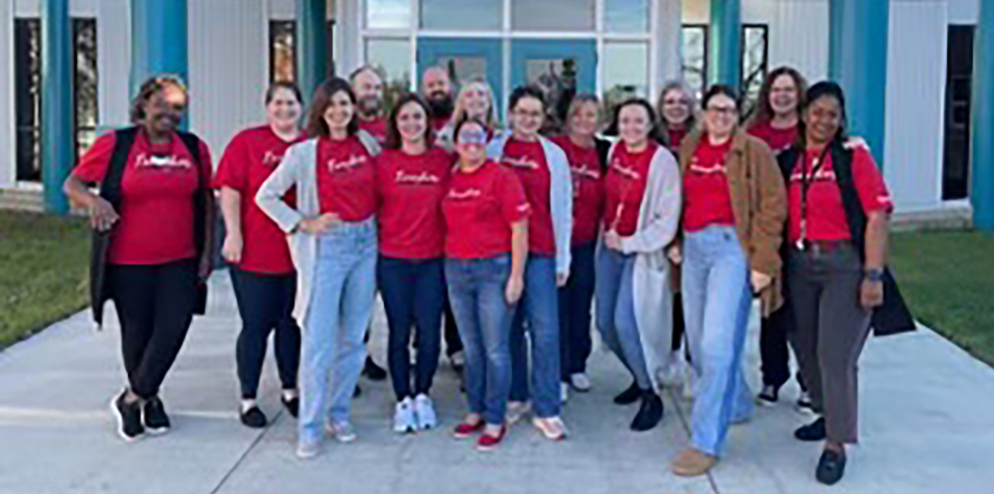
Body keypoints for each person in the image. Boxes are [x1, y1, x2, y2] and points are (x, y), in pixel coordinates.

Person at [64, 76, 214, 442]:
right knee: (137, 333)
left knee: (174, 328)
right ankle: (151, 398)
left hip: (181, 258)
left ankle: (132, 397)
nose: (169, 113)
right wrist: (96, 201)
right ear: (144, 104)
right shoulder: (117, 144)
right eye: (162, 103)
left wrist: (208, 252)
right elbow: (73, 183)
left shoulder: (193, 148)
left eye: (178, 107)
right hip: (128, 261)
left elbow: (207, 202)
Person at [781, 81, 912, 485]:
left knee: (834, 355)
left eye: (832, 114)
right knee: (804, 346)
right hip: (799, 265)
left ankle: (836, 444)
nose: (823, 120)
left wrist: (873, 274)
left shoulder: (852, 157)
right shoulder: (790, 160)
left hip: (844, 265)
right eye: (817, 111)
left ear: (841, 120)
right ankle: (826, 414)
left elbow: (877, 215)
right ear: (804, 114)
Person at [256, 77, 380, 459]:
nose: (339, 111)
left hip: (366, 245)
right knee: (318, 343)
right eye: (332, 106)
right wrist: (302, 223)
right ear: (320, 112)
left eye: (345, 104)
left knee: (354, 339)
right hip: (329, 247)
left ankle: (338, 413)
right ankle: (309, 427)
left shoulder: (369, 144)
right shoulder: (304, 153)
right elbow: (266, 195)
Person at [670, 85, 786, 476]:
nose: (721, 116)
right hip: (694, 248)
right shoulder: (689, 145)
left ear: (738, 115)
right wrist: (674, 240)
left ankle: (705, 441)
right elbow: (676, 197)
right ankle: (735, 401)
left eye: (729, 110)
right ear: (702, 112)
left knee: (718, 344)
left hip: (732, 250)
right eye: (714, 108)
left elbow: (773, 206)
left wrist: (763, 262)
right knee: (700, 347)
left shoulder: (754, 151)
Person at [215, 83, 305, 428]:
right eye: (278, 103)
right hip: (254, 253)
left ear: (301, 107)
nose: (285, 110)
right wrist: (233, 233)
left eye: (291, 103)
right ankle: (248, 398)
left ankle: (290, 389)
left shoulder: (309, 144)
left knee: (290, 325)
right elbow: (230, 190)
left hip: (298, 256)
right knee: (256, 326)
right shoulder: (247, 142)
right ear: (268, 108)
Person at [488, 86, 572, 441]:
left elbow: (564, 209)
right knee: (508, 330)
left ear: (543, 117)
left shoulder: (553, 155)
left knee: (546, 331)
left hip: (540, 252)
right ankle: (517, 395)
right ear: (510, 114)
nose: (528, 119)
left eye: (535, 114)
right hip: (500, 252)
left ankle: (547, 407)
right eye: (522, 112)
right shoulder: (495, 150)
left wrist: (563, 258)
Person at [445, 117, 530, 451]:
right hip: (456, 269)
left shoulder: (502, 176)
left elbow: (519, 228)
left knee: (496, 349)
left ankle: (496, 417)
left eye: (478, 137)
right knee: (472, 348)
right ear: (455, 143)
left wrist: (516, 276)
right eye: (464, 137)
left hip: (494, 270)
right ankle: (475, 410)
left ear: (487, 141)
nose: (471, 143)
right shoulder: (450, 178)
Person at [596, 98, 681, 432]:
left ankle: (651, 394)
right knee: (605, 324)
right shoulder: (613, 151)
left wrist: (631, 242)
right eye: (625, 120)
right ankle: (637, 371)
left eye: (638, 121)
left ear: (650, 124)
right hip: (609, 250)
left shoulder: (662, 162)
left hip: (640, 253)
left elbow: (666, 220)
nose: (631, 127)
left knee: (627, 323)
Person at [375, 93, 452, 433]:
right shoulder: (383, 163)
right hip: (393, 260)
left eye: (417, 117)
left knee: (430, 333)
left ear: (427, 122)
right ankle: (402, 398)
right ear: (395, 123)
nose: (411, 124)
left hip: (432, 261)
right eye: (404, 117)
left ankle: (423, 393)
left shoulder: (443, 161)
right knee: (398, 332)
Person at [746, 66, 811, 408]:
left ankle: (807, 382)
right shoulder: (755, 133)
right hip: (767, 234)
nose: (782, 96)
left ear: (799, 94)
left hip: (801, 233)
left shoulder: (809, 132)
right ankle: (772, 378)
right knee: (772, 310)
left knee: (803, 312)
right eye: (775, 90)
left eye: (788, 90)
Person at [437, 79, 501, 371]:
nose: (477, 99)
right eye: (470, 94)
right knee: (457, 299)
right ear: (461, 101)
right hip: (454, 230)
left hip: (493, 235)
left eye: (483, 93)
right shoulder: (445, 138)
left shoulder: (502, 138)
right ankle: (458, 350)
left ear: (491, 101)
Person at [549, 94, 610, 397]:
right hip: (556, 242)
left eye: (591, 115)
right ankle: (557, 370)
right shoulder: (555, 147)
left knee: (581, 305)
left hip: (586, 242)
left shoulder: (604, 151)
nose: (585, 121)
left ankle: (577, 365)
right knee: (556, 308)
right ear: (569, 118)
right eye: (579, 115)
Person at [655, 81, 698, 394]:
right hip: (657, 225)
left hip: (691, 226)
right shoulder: (652, 137)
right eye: (670, 100)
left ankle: (692, 361)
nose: (676, 106)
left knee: (688, 297)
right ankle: (666, 354)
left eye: (682, 101)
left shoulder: (700, 138)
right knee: (661, 299)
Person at [349, 66, 389, 382]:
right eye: (365, 87)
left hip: (384, 227)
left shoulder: (391, 129)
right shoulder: (342, 129)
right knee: (348, 301)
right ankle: (347, 361)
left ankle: (362, 356)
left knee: (367, 300)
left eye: (376, 87)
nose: (371, 92)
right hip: (349, 229)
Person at [436, 79, 500, 152]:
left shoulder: (501, 138)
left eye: (481, 94)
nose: (475, 99)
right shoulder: (447, 137)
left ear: (489, 102)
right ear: (462, 103)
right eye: (469, 95)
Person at [351, 65, 389, 148]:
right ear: (353, 91)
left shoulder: (393, 128)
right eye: (367, 87)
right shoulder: (343, 128)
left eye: (377, 88)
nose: (373, 93)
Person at [657, 81, 697, 151]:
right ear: (661, 106)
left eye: (683, 102)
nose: (676, 106)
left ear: (690, 107)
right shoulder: (650, 138)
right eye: (670, 102)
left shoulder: (700, 138)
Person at [421, 66, 455, 132]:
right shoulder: (418, 120)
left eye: (441, 83)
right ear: (423, 90)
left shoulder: (459, 116)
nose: (436, 88)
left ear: (449, 86)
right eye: (431, 85)